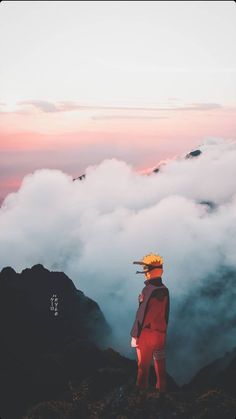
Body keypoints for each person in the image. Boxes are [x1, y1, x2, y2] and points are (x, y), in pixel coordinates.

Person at [130, 253, 170, 393]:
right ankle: (162, 395)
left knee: (143, 368)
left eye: (146, 271)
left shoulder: (147, 290)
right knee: (160, 368)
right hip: (160, 334)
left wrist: (136, 335)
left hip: (146, 335)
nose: (144, 274)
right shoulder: (164, 290)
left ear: (149, 272)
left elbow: (142, 316)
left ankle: (140, 400)